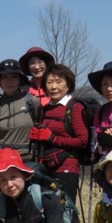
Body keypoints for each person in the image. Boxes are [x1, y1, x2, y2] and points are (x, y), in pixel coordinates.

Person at [29, 63, 89, 203]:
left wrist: (52, 138)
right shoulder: (45, 109)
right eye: (49, 82)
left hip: (67, 167)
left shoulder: (74, 107)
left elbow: (82, 141)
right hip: (47, 166)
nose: (54, 87)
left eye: (59, 82)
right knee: (51, 210)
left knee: (66, 209)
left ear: (68, 85)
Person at [0, 58, 40, 166]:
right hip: (5, 163)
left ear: (20, 80)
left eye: (14, 77)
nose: (9, 81)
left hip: (29, 161)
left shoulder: (32, 102)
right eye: (5, 77)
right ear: (0, 81)